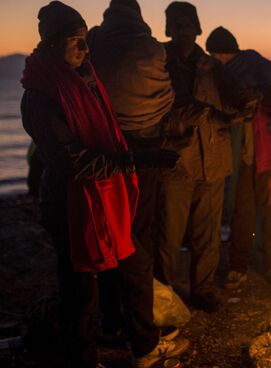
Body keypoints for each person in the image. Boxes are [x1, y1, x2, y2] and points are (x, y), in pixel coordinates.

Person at [20, 2, 188, 367]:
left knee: (132, 263)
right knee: (80, 287)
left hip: (106, 195)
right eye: (75, 42)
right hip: (70, 202)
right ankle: (86, 356)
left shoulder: (83, 78)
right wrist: (138, 160)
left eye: (85, 40)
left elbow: (107, 137)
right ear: (50, 44)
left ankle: (142, 345)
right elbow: (75, 161)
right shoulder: (41, 94)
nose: (85, 49)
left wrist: (145, 151)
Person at [156, 1, 245, 312]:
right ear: (168, 29)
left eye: (188, 25)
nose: (183, 31)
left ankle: (203, 290)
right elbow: (152, 108)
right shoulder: (157, 63)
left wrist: (246, 104)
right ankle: (163, 293)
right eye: (177, 25)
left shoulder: (212, 66)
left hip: (214, 161)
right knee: (168, 235)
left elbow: (234, 99)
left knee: (207, 235)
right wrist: (192, 110)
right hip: (175, 163)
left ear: (197, 28)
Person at [205, 26, 271, 289]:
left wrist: (264, 97)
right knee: (242, 213)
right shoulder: (224, 74)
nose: (214, 61)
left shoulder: (261, 68)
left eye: (216, 55)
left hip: (268, 157)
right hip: (242, 158)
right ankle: (238, 265)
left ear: (225, 52)